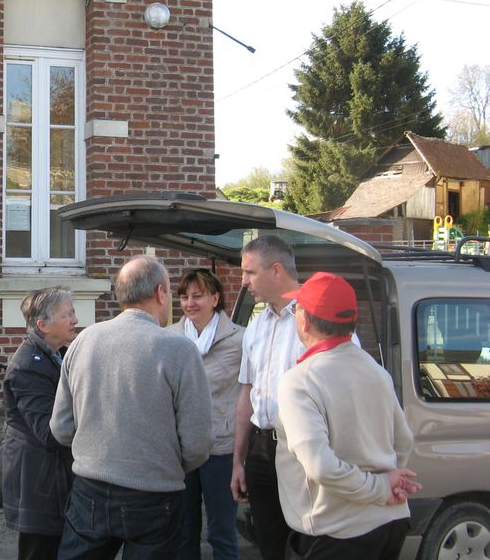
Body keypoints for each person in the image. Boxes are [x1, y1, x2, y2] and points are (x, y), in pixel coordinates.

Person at [51, 255, 213, 560]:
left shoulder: (83, 342)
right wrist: (163, 465)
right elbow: (198, 443)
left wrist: (97, 452)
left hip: (90, 488)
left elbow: (61, 427)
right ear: (160, 293)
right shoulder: (179, 350)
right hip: (156, 494)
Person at [276, 271, 419, 560]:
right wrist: (386, 484)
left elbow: (321, 467)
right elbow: (403, 443)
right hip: (388, 522)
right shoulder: (375, 370)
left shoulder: (300, 381)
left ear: (305, 320)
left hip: (338, 531)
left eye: (297, 308)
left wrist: (379, 488)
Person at [229, 235, 304, 560]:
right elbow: (247, 394)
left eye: (250, 272)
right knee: (269, 545)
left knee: (308, 542)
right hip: (261, 450)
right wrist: (238, 461)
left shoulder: (318, 320)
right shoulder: (257, 327)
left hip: (304, 449)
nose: (243, 282)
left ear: (276, 270)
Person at [169, 269, 245, 560]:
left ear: (215, 298)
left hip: (221, 448)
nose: (190, 303)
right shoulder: (170, 338)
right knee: (184, 532)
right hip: (183, 449)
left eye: (198, 296)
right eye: (185, 297)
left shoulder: (240, 340)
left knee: (222, 534)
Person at [1, 287, 79, 560]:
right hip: (38, 481)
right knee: (40, 551)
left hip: (55, 477)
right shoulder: (28, 366)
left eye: (73, 312)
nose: (75, 319)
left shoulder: (60, 354)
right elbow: (48, 432)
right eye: (67, 314)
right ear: (42, 325)